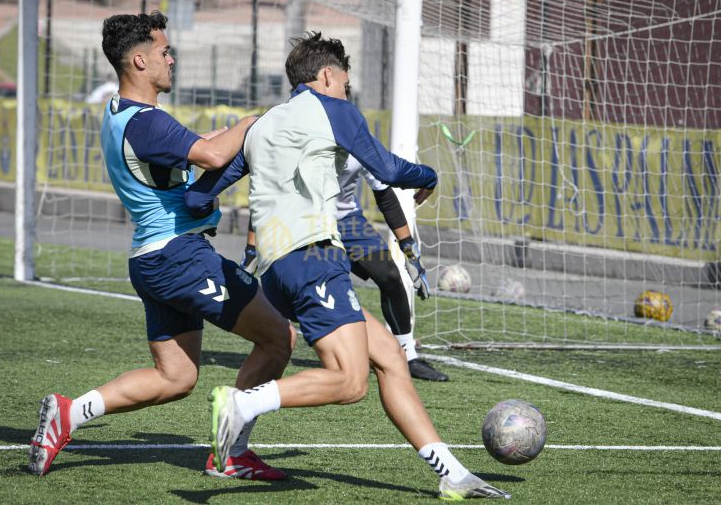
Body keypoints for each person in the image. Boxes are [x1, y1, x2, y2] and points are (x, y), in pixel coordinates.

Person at [185, 32, 510, 499]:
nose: (347, 93)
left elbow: (199, 196)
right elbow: (392, 171)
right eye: (344, 84)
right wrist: (431, 176)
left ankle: (452, 474)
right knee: (349, 381)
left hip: (276, 267)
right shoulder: (332, 109)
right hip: (314, 255)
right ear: (326, 76)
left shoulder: (262, 125)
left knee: (390, 360)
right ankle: (241, 404)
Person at [27, 11, 294, 481]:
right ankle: (233, 453)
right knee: (277, 338)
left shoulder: (119, 111)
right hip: (179, 257)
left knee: (177, 378)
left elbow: (201, 146)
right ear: (139, 60)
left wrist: (240, 133)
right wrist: (255, 121)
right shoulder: (147, 121)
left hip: (152, 259)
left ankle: (70, 413)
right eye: (164, 51)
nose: (172, 58)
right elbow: (212, 154)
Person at [240, 155, 449, 382]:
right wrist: (252, 248)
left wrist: (408, 246)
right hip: (303, 222)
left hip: (347, 221)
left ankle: (408, 355)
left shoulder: (358, 141)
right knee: (300, 284)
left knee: (389, 275)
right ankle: (271, 347)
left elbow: (385, 195)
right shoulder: (301, 136)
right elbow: (267, 189)